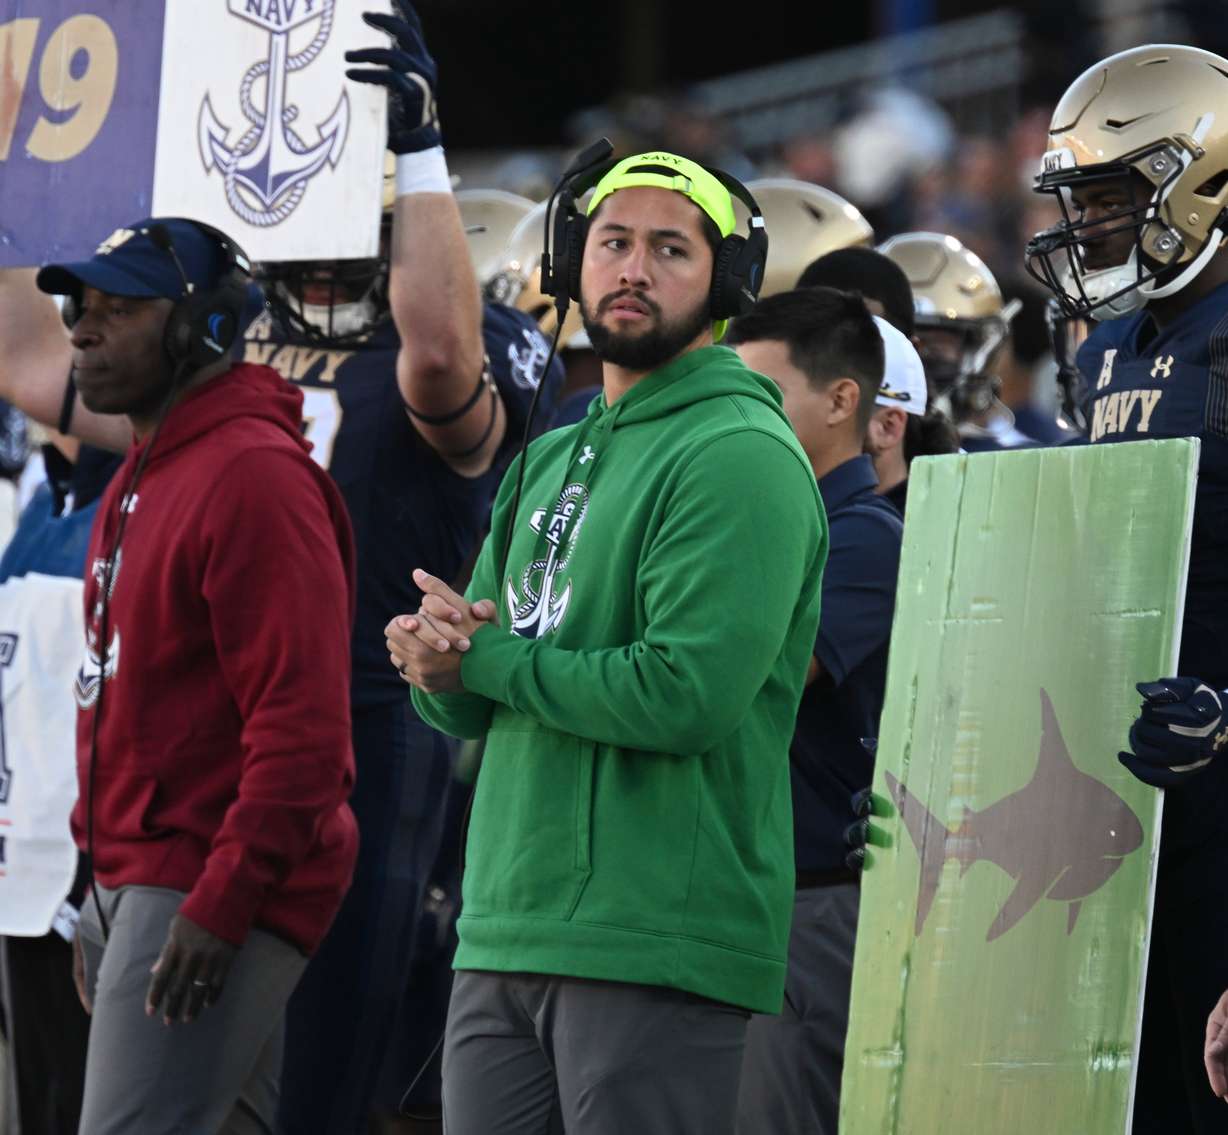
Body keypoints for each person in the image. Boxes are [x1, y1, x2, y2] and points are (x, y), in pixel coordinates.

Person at [386, 149, 826, 1135]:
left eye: (670, 249)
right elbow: (478, 686)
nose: (631, 269)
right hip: (505, 923)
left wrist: (484, 661)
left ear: (728, 280)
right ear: (570, 261)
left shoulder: (741, 454)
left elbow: (683, 693)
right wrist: (434, 661)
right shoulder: (550, 452)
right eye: (612, 242)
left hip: (656, 934)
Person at [33, 217, 356, 1134]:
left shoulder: (253, 475)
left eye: (120, 308)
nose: (83, 328)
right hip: (142, 881)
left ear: (201, 328)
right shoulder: (146, 466)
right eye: (80, 305)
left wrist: (223, 899)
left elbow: (304, 736)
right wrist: (95, 883)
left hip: (208, 881)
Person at [1026, 43, 1228, 1134]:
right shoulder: (1106, 349)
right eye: (1078, 200)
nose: (1086, 227)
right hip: (1116, 796)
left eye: (1110, 197)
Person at [724, 289, 903, 1134]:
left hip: (809, 901)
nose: (736, 422)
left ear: (843, 401)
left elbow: (746, 677)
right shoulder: (767, 519)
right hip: (740, 894)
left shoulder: (867, 536)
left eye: (760, 395)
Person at [795, 247, 957, 512]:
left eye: (864, 336)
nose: (833, 354)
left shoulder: (954, 508)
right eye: (812, 335)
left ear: (909, 352)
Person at [881, 231, 1033, 451]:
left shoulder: (1015, 461)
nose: (918, 356)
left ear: (982, 346)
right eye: (899, 339)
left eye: (937, 345)